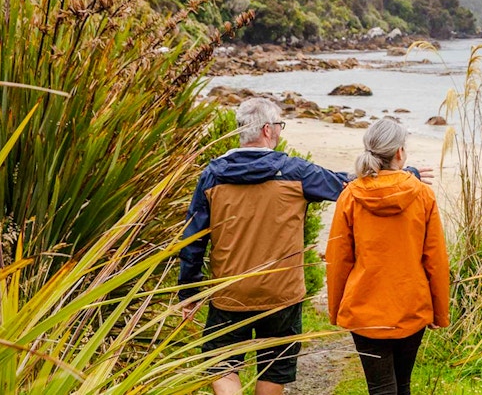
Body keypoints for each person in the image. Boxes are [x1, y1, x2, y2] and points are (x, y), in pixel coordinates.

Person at [178, 98, 429, 395]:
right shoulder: (294, 172)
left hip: (230, 293)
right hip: (281, 293)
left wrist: (189, 292)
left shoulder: (212, 175)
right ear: (269, 130)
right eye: (280, 126)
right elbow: (346, 185)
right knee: (275, 366)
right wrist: (403, 174)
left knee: (222, 364)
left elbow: (192, 238)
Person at [326, 118, 450, 395]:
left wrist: (337, 309)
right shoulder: (423, 195)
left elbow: (338, 260)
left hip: (364, 309)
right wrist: (439, 312)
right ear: (399, 153)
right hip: (412, 305)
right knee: (402, 384)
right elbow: (436, 259)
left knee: (380, 388)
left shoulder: (350, 196)